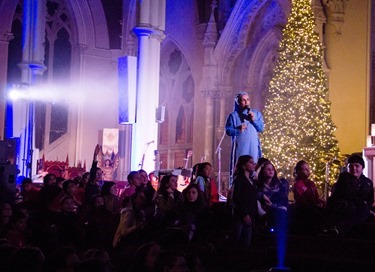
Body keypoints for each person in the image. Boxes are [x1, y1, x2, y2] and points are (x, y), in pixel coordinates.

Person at [322, 154, 374, 237]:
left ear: (362, 168)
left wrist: (366, 206)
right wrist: (364, 206)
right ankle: (338, 228)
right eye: (351, 166)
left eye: (357, 166)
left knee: (364, 211)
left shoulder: (367, 182)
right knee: (356, 209)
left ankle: (338, 229)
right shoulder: (344, 178)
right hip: (343, 205)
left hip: (360, 207)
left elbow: (370, 198)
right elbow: (349, 195)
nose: (354, 169)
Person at [225, 91, 264, 183]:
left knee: (253, 168)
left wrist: (253, 120)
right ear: (238, 102)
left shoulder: (256, 114)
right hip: (241, 147)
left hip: (253, 147)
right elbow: (228, 131)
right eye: (243, 100)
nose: (246, 102)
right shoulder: (233, 116)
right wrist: (238, 129)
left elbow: (261, 129)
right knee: (241, 168)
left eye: (247, 99)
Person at [292, 160, 325, 235]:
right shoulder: (298, 184)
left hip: (313, 207)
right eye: (305, 169)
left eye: (308, 169)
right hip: (304, 210)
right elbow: (304, 199)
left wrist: (321, 202)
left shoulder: (311, 184)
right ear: (299, 171)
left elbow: (316, 197)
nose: (308, 171)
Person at [231, 155, 258, 248]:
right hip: (241, 216)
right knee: (237, 241)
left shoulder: (252, 181)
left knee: (246, 243)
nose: (253, 164)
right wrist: (244, 214)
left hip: (250, 214)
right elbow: (236, 198)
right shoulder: (239, 180)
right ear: (243, 166)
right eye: (250, 162)